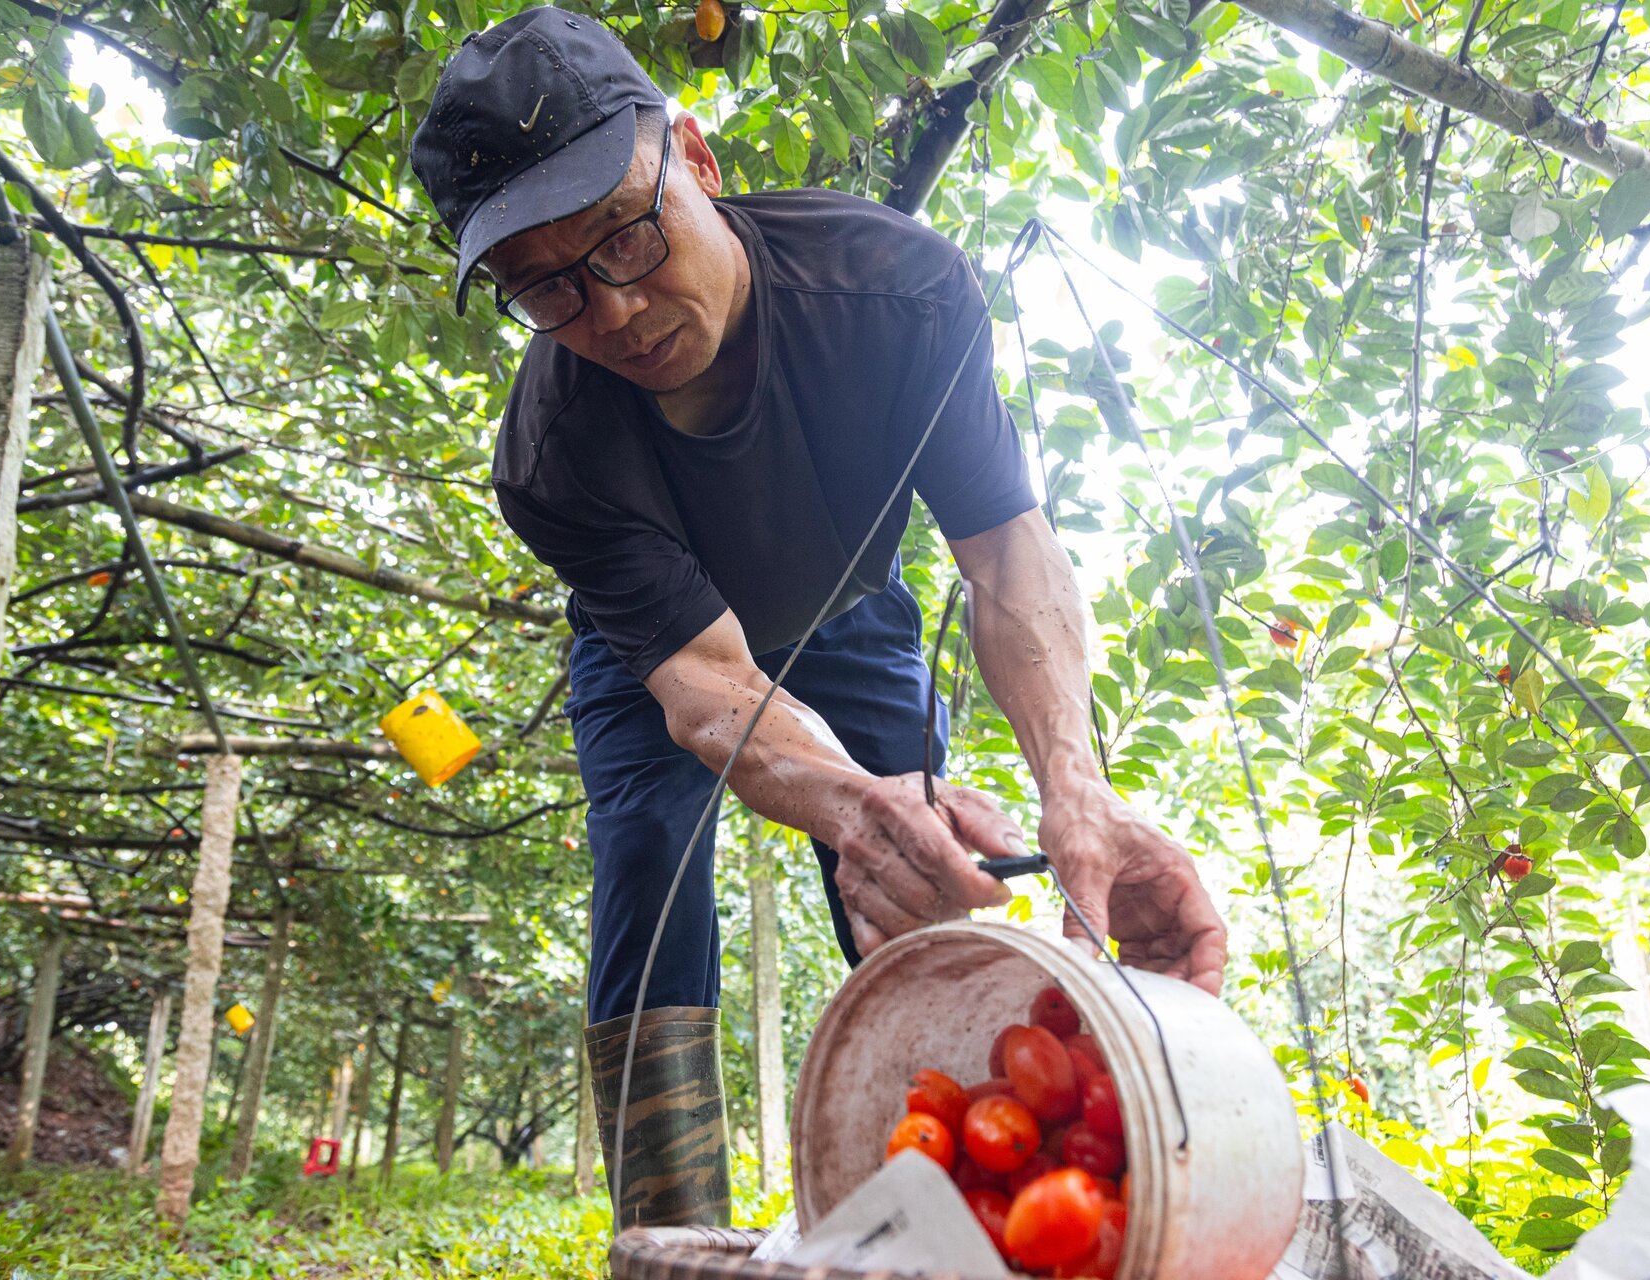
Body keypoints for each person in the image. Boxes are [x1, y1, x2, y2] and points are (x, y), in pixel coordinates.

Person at [408, 7, 1227, 1229]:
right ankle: (668, 1227)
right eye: (549, 287)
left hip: (848, 613)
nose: (613, 311)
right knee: (648, 859)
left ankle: (978, 1187)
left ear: (694, 157)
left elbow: (1007, 553)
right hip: (665, 658)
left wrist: (1077, 784)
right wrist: (853, 803)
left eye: (625, 238)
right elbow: (706, 683)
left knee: (928, 870)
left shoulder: (896, 291)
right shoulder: (550, 453)